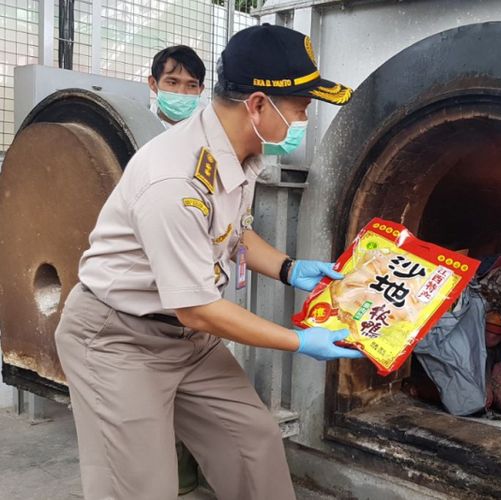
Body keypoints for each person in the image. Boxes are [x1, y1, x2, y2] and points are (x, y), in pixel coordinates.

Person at [54, 24, 358, 500]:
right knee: (141, 488)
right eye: (302, 106)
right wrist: (299, 341)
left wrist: (289, 268)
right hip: (119, 338)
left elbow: (231, 231)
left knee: (252, 447)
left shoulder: (238, 152)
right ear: (258, 104)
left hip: (187, 335)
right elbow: (197, 306)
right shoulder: (174, 181)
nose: (305, 117)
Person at [147, 44, 209, 495]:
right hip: (147, 298)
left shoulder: (203, 145)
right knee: (154, 405)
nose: (182, 94)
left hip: (195, 291)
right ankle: (176, 481)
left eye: (191, 86)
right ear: (153, 85)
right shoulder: (145, 144)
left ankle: (189, 472)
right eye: (172, 83)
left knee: (191, 396)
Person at [148, 45, 206, 128]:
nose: (181, 92)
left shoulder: (211, 130)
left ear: (200, 89)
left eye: (192, 85)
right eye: (172, 83)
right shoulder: (138, 130)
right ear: (153, 83)